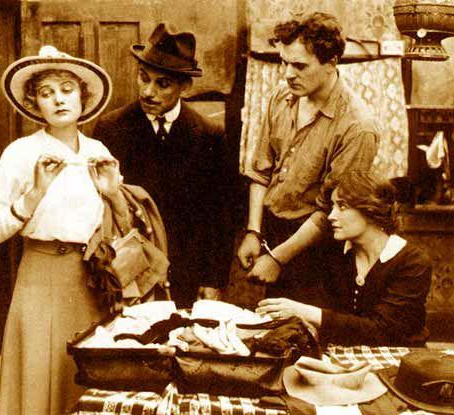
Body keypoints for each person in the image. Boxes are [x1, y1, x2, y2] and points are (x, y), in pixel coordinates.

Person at [0, 46, 164, 414]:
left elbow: (124, 233)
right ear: (34, 103)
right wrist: (33, 196)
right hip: (39, 280)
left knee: (84, 385)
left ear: (83, 96)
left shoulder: (97, 151)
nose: (58, 100)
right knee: (38, 381)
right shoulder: (20, 153)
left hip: (91, 284)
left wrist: (113, 194)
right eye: (46, 93)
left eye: (67, 89)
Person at [237, 12, 379, 307]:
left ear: (331, 63)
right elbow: (261, 171)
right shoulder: (281, 96)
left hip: (320, 248)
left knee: (308, 328)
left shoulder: (357, 127)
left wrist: (278, 258)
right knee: (274, 323)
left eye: (300, 65)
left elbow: (331, 210)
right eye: (284, 62)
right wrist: (254, 231)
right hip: (273, 232)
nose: (288, 74)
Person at [93, 23, 234, 308]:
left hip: (186, 274)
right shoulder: (111, 128)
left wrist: (213, 279)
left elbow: (221, 215)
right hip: (128, 270)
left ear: (185, 86)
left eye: (163, 84)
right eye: (143, 78)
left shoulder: (208, 134)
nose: (148, 92)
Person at [256, 172, 432, 346]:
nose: (331, 216)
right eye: (333, 206)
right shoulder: (335, 254)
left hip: (399, 356)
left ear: (371, 210)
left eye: (342, 206)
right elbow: (328, 320)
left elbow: (383, 331)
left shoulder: (412, 262)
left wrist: (305, 312)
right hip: (344, 355)